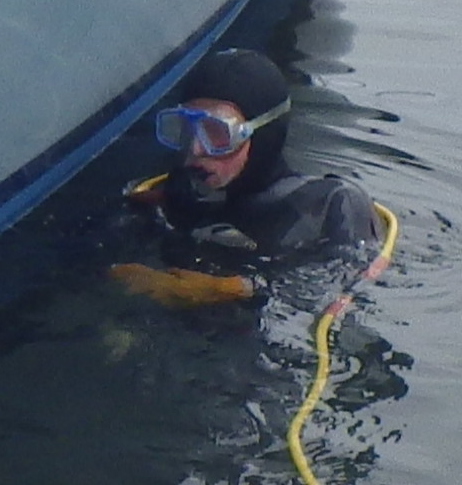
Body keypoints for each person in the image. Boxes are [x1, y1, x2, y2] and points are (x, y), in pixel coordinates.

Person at [109, 48, 388, 307]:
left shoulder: (332, 203)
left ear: (263, 135)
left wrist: (228, 289)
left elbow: (345, 286)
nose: (195, 149)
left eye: (217, 133)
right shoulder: (172, 197)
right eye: (185, 127)